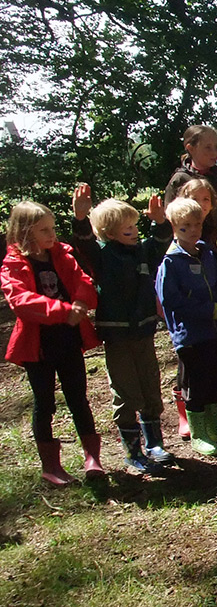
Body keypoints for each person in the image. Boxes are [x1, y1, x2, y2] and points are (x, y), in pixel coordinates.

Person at [3, 200, 103, 484]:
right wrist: (64, 311)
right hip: (39, 346)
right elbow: (21, 301)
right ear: (24, 232)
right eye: (44, 230)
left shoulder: (61, 255)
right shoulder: (14, 264)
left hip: (68, 340)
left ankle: (92, 457)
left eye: (53, 228)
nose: (52, 234)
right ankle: (51, 466)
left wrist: (82, 302)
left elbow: (83, 280)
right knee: (44, 403)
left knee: (78, 398)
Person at [72, 188, 173, 471]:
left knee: (150, 387)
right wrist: (81, 216)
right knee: (126, 392)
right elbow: (84, 244)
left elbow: (161, 242)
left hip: (143, 332)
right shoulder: (103, 255)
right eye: (127, 228)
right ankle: (133, 451)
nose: (134, 231)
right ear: (110, 232)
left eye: (134, 225)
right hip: (117, 335)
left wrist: (159, 221)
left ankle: (155, 444)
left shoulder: (142, 251)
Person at [156, 198, 217, 456]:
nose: (193, 230)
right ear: (173, 227)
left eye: (197, 224)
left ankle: (215, 428)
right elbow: (172, 301)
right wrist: (210, 310)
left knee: (214, 379)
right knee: (196, 385)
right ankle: (198, 434)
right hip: (191, 335)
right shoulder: (171, 262)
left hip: (215, 330)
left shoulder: (205, 251)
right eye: (186, 227)